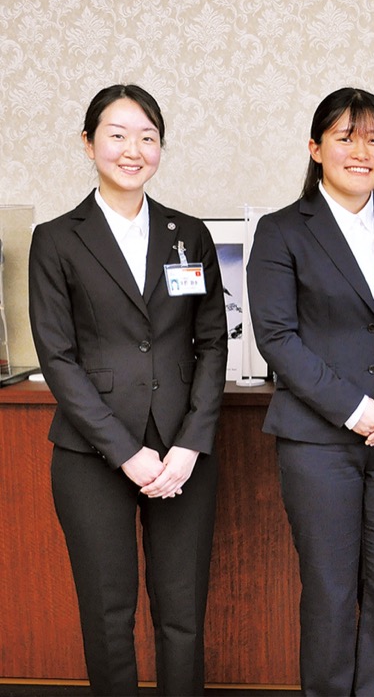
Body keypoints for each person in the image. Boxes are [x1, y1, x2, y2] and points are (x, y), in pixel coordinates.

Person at [28, 84, 227, 695]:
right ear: (89, 144)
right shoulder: (56, 238)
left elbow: (212, 343)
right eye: (117, 135)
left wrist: (190, 445)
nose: (133, 150)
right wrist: (126, 452)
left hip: (181, 453)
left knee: (182, 615)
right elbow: (58, 359)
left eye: (147, 137)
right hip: (92, 455)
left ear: (160, 147)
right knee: (109, 617)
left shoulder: (188, 234)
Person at [247, 88, 374, 696]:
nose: (362, 151)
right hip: (318, 443)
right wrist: (354, 409)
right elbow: (276, 338)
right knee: (331, 589)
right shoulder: (282, 231)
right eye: (345, 137)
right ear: (315, 149)